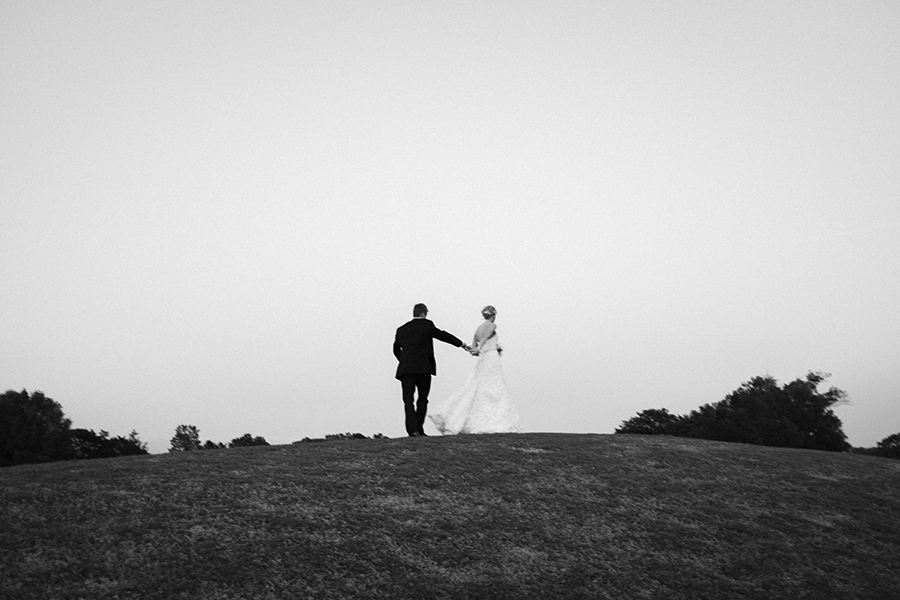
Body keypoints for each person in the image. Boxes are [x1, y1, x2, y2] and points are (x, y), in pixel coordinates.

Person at [429, 305, 520, 435]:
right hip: (491, 358)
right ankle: (493, 421)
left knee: (481, 386)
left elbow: (473, 346)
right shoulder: (492, 326)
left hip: (483, 359)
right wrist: (483, 347)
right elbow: (484, 339)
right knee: (494, 386)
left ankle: (468, 418)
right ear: (493, 315)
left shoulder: (478, 329)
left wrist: (477, 349)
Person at [393, 303, 470, 437]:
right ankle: (419, 429)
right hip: (423, 368)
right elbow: (443, 336)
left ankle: (412, 430)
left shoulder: (401, 330)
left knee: (408, 400)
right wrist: (461, 344)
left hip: (406, 370)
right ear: (423, 314)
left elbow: (395, 349)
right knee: (422, 399)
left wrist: (404, 361)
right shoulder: (427, 325)